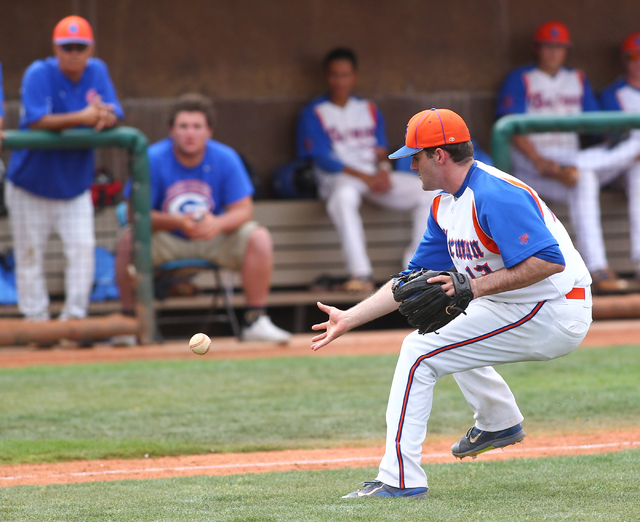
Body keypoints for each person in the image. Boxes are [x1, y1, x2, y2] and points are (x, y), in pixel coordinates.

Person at [311, 108, 592, 499]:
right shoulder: (444, 204)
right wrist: (350, 317)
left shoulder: (495, 194)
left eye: (415, 156)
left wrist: (472, 289)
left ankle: (400, 479)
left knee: (418, 353)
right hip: (519, 303)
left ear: (439, 155)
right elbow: (410, 281)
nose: (411, 166)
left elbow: (548, 261)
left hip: (555, 308)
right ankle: (498, 419)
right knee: (438, 320)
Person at [114, 94, 291, 344]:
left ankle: (255, 320)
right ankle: (129, 323)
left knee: (258, 236)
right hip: (166, 238)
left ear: (209, 131)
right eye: (183, 126)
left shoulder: (226, 157)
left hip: (213, 236)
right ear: (170, 130)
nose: (190, 133)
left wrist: (217, 224)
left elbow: (244, 210)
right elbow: (135, 213)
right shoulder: (152, 158)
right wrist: (177, 222)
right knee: (128, 239)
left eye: (197, 126)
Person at [496, 20, 640, 294]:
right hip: (533, 165)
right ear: (537, 49)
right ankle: (597, 267)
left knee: (591, 173)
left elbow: (599, 126)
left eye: (559, 47)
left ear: (566, 51)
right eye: (548, 46)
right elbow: (509, 126)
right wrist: (538, 159)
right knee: (588, 174)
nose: (553, 52)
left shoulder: (577, 78)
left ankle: (597, 268)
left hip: (571, 163)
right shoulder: (520, 78)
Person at [5, 15, 123, 324]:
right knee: (30, 255)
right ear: (56, 49)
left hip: (74, 186)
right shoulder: (39, 73)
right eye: (67, 47)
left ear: (90, 49)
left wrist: (104, 117)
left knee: (83, 250)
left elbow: (112, 111)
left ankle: (73, 320)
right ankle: (36, 322)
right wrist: (84, 116)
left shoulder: (97, 71)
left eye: (79, 47)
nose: (73, 53)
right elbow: (36, 120)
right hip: (30, 184)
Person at [296, 47, 435, 293]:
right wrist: (367, 177)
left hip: (372, 177)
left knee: (428, 192)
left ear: (354, 77)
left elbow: (380, 148)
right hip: (339, 179)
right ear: (327, 77)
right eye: (334, 75)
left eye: (345, 75)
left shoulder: (368, 108)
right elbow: (320, 158)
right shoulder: (313, 112)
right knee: (343, 198)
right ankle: (360, 273)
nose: (340, 81)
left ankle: (415, 270)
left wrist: (382, 170)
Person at [596, 32, 640, 282]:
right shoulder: (614, 93)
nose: (638, 61)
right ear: (625, 60)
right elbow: (610, 139)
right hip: (619, 166)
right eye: (633, 56)